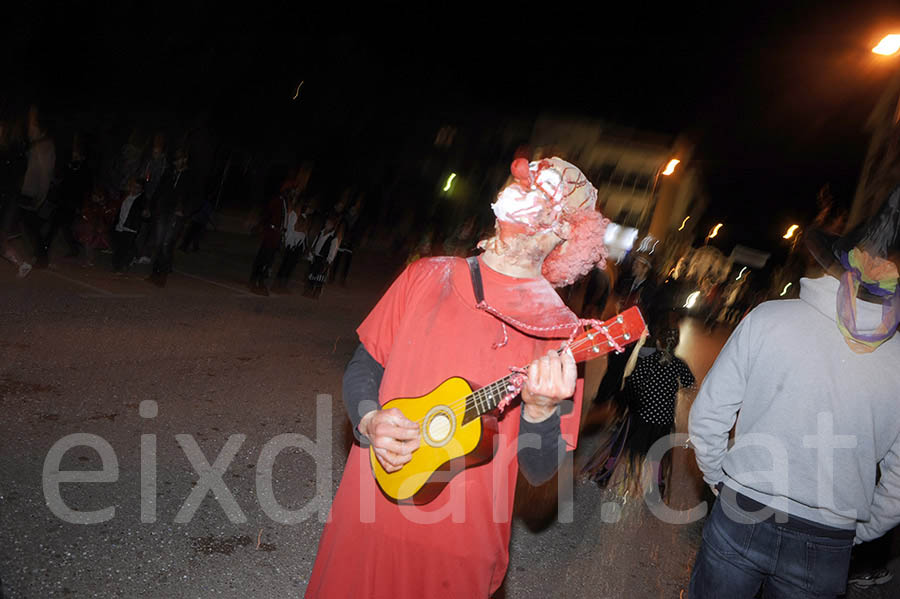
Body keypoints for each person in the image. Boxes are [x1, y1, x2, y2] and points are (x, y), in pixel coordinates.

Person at [305, 156, 611, 598]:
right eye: (522, 181)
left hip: (457, 552)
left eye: (544, 191)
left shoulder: (560, 336)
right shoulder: (425, 275)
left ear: (566, 231)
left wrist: (542, 411)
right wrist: (369, 419)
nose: (522, 184)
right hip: (367, 515)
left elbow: (540, 468)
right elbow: (363, 367)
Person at [688, 185, 900, 599]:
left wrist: (719, 480)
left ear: (837, 264)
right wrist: (863, 528)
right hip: (829, 537)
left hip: (742, 508)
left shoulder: (769, 318)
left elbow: (708, 416)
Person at [582, 326, 694, 499]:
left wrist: (624, 401)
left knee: (621, 444)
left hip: (641, 415)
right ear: (676, 343)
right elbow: (689, 383)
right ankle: (658, 485)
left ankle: (605, 473)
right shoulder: (679, 365)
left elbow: (633, 384)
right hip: (663, 419)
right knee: (657, 452)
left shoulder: (648, 361)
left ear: (658, 341)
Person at [148, 148, 191, 287]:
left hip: (176, 214)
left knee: (167, 243)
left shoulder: (190, 176)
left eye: (181, 159)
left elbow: (195, 197)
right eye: (176, 160)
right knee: (159, 242)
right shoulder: (169, 173)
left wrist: (185, 210)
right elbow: (159, 190)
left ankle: (162, 275)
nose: (178, 163)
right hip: (163, 210)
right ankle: (155, 272)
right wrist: (150, 206)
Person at [272, 189, 307, 293]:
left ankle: (281, 285)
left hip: (294, 242)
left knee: (288, 265)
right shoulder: (294, 213)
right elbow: (295, 228)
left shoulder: (296, 213)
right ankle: (278, 285)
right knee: (286, 265)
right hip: (291, 242)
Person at [111, 178, 148, 273]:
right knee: (118, 246)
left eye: (138, 188)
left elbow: (146, 214)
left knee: (125, 247)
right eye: (133, 186)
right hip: (120, 225)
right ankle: (118, 264)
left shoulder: (142, 200)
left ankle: (121, 266)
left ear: (142, 190)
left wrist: (145, 214)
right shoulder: (125, 196)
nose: (135, 189)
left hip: (130, 227)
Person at [302, 211, 340, 299]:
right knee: (312, 274)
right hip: (316, 257)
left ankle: (317, 292)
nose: (327, 224)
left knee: (320, 277)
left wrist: (328, 261)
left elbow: (332, 251)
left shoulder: (333, 238)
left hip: (323, 259)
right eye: (326, 222)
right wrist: (311, 255)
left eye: (329, 223)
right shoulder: (320, 233)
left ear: (333, 225)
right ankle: (309, 289)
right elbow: (315, 244)